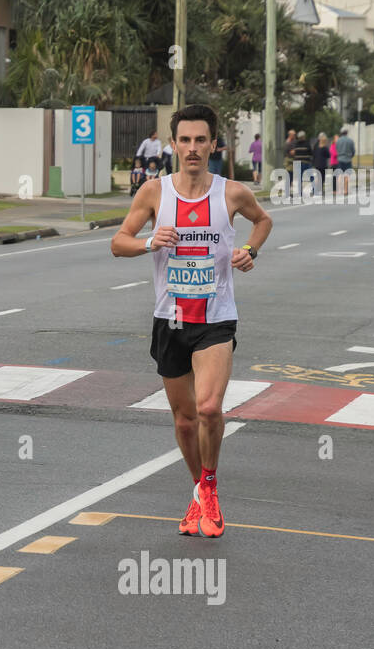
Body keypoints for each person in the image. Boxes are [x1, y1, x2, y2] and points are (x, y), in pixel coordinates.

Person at [111, 103, 273, 539]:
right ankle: (199, 491)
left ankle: (212, 486)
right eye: (185, 140)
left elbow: (263, 221)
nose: (193, 148)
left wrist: (250, 252)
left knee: (208, 408)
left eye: (201, 140)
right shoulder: (154, 193)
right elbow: (117, 243)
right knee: (184, 420)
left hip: (216, 319)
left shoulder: (231, 193)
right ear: (173, 145)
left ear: (214, 144)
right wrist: (148, 242)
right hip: (171, 319)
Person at [334, 125, 356, 192]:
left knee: (340, 175)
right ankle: (345, 190)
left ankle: (339, 190)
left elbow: (336, 149)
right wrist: (350, 156)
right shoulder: (350, 141)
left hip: (340, 159)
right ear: (347, 132)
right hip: (348, 160)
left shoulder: (338, 141)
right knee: (347, 175)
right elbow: (353, 151)